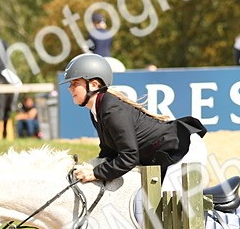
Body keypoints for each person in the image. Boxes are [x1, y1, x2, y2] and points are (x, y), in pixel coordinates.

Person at [61, 53, 208, 193]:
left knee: (166, 211)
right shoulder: (96, 111)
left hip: (183, 151)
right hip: (164, 156)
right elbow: (109, 152)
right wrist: (89, 166)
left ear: (93, 84)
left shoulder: (111, 110)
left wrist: (95, 173)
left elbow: (130, 157)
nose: (70, 88)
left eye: (75, 83)